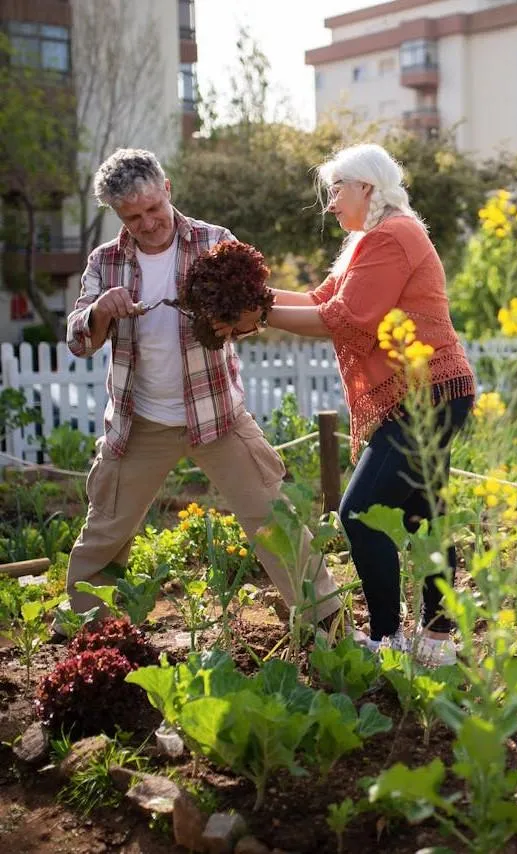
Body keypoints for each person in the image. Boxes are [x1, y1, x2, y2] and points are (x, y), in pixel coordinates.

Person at [215, 143, 475, 666]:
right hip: (427, 392)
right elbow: (319, 302)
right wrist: (251, 294)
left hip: (424, 395)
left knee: (358, 513)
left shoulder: (394, 235)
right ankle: (438, 640)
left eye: (337, 190)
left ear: (367, 188)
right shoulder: (372, 240)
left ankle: (388, 639)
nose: (331, 203)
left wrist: (257, 313)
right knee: (428, 514)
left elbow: (348, 318)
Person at [62, 148, 341, 632]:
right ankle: (86, 633)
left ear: (167, 189)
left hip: (218, 417)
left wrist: (233, 318)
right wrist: (101, 311)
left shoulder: (216, 242)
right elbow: (78, 340)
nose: (148, 223)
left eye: (153, 209)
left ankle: (328, 623)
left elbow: (253, 316)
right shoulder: (104, 262)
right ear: (117, 215)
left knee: (275, 517)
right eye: (133, 217)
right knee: (106, 529)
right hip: (140, 422)